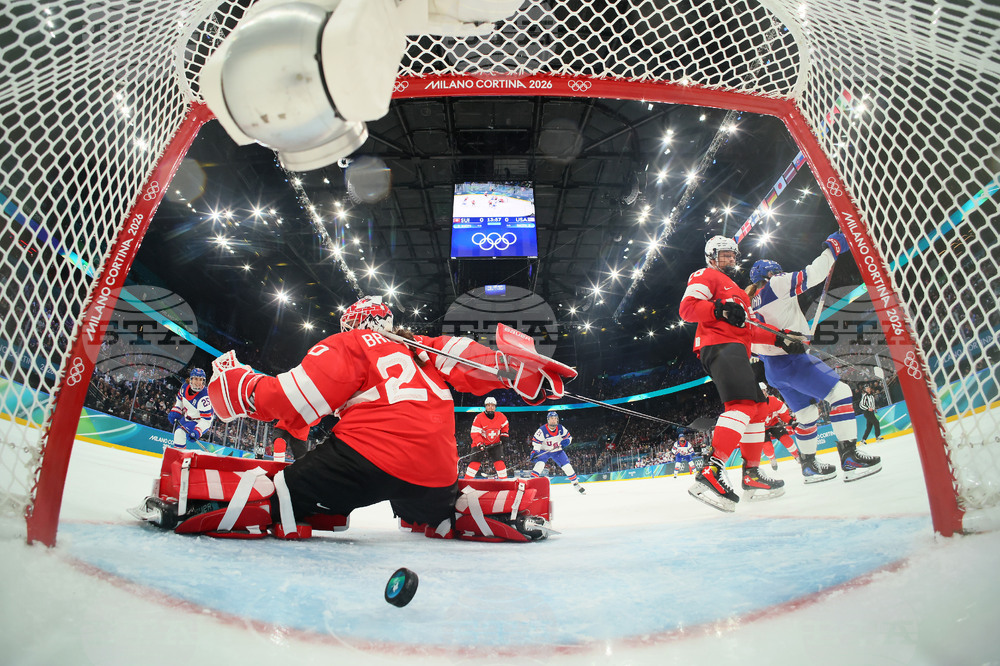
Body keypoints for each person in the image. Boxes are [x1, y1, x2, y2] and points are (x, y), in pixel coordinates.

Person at [195, 296, 576, 541]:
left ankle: (234, 505)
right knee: (425, 502)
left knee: (282, 493)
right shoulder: (424, 347)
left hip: (365, 462)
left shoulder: (349, 343)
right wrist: (514, 369)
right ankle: (443, 513)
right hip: (435, 473)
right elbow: (471, 359)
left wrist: (240, 385)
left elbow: (293, 400)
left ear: (352, 326)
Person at [747, 231, 882, 483]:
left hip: (773, 369)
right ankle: (850, 456)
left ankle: (808, 466)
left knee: (807, 415)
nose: (779, 276)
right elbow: (813, 274)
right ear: (769, 275)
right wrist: (832, 248)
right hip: (791, 361)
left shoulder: (749, 303)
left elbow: (751, 342)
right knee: (840, 393)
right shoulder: (776, 284)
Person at [679, 235, 799, 511]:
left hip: (736, 348)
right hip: (719, 346)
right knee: (743, 405)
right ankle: (712, 472)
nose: (732, 259)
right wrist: (718, 309)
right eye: (725, 254)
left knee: (758, 408)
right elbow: (687, 310)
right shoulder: (706, 274)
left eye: (734, 255)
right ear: (711, 256)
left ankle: (752, 474)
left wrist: (781, 339)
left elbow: (750, 330)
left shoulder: (740, 293)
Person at [530, 411, 586, 494]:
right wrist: (535, 452)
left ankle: (575, 484)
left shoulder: (561, 428)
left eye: (555, 418)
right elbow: (536, 443)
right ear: (548, 420)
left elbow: (569, 437)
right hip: (544, 451)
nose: (553, 420)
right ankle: (531, 485)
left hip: (557, 451)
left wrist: (567, 441)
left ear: (557, 420)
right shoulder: (542, 430)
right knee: (540, 464)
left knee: (567, 466)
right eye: (551, 418)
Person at [166, 368, 213, 449]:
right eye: (196, 379)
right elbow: (180, 400)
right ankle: (179, 456)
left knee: (180, 433)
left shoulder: (204, 397)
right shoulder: (184, 387)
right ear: (191, 379)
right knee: (178, 435)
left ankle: (178, 457)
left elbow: (207, 420)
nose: (198, 382)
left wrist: (198, 431)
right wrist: (176, 410)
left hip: (198, 422)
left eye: (200, 380)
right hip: (186, 418)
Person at [464, 396, 510, 479]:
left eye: (492, 405)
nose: (490, 407)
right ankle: (467, 481)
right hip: (480, 443)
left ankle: (505, 482)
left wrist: (504, 434)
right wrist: (480, 443)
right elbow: (475, 433)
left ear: (495, 407)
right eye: (488, 405)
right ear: (485, 406)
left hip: (495, 443)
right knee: (475, 462)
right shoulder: (479, 417)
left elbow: (505, 426)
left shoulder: (501, 416)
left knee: (499, 462)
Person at [759, 383, 800, 471]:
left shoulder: (774, 401)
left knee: (786, 439)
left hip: (774, 424)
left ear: (766, 391)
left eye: (762, 391)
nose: (761, 394)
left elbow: (784, 414)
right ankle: (772, 459)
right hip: (760, 428)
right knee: (767, 447)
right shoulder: (752, 404)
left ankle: (797, 456)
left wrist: (790, 421)